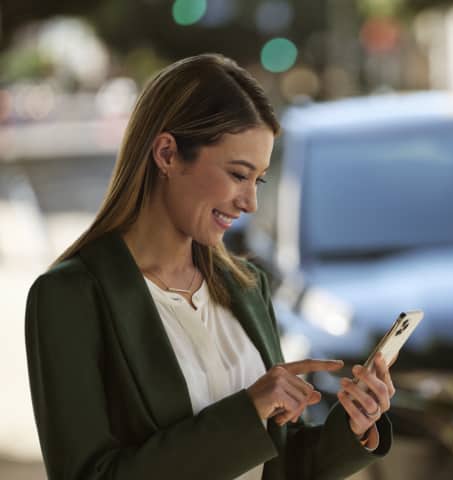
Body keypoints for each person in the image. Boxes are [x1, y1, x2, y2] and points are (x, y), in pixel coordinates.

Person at [25, 53, 394, 480]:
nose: (250, 203)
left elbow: (279, 465)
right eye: (238, 175)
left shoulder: (246, 286)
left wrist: (353, 427)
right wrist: (248, 410)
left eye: (258, 180)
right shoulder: (71, 297)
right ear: (167, 153)